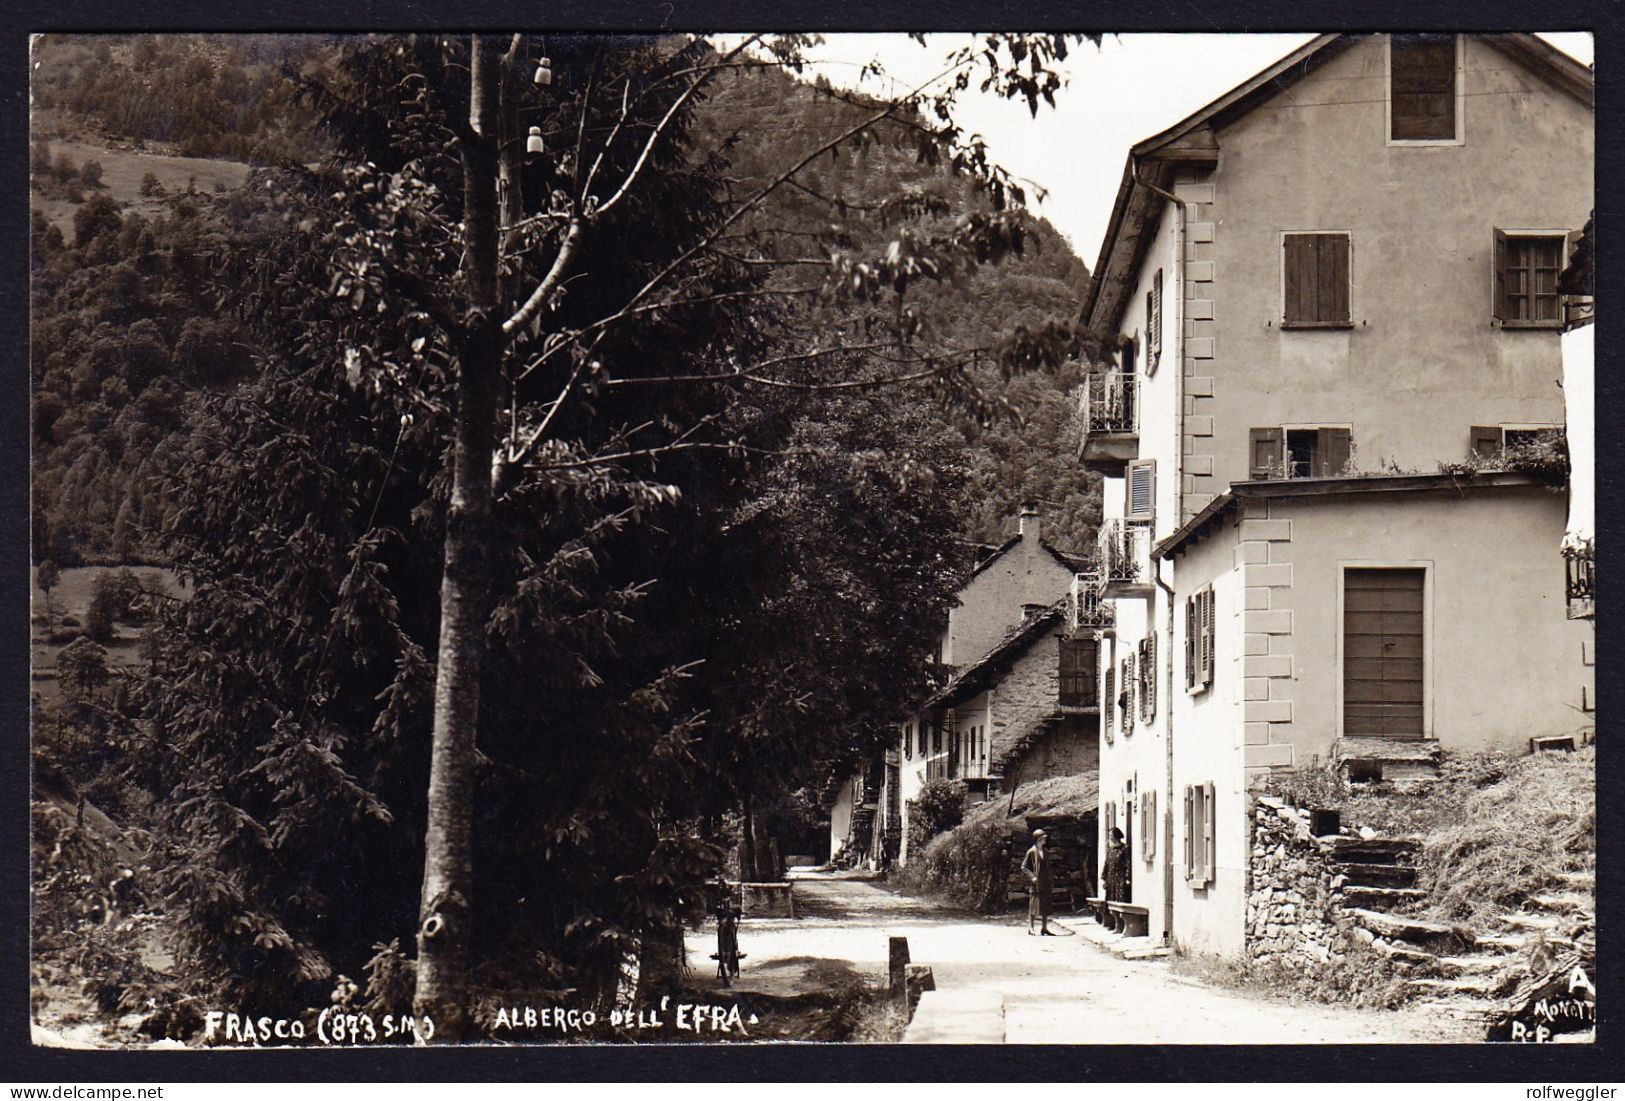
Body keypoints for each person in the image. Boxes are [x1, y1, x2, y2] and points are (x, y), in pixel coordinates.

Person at [1022, 828, 1056, 936]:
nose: (1045, 840)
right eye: (1043, 838)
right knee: (1033, 906)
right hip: (1036, 883)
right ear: (1038, 839)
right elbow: (1024, 867)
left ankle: (1044, 928)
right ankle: (1031, 928)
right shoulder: (1031, 851)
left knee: (1045, 905)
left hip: (1046, 882)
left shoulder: (1045, 852)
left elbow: (1048, 867)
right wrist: (1032, 877)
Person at [1103, 827, 1130, 929]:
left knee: (1120, 899)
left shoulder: (1124, 849)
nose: (1110, 838)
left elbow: (1127, 864)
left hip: (1120, 878)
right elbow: (1106, 864)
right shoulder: (1110, 849)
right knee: (1110, 900)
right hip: (1111, 878)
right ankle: (1113, 924)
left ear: (1116, 836)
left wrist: (1127, 878)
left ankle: (1121, 925)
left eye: (1111, 836)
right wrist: (1104, 878)